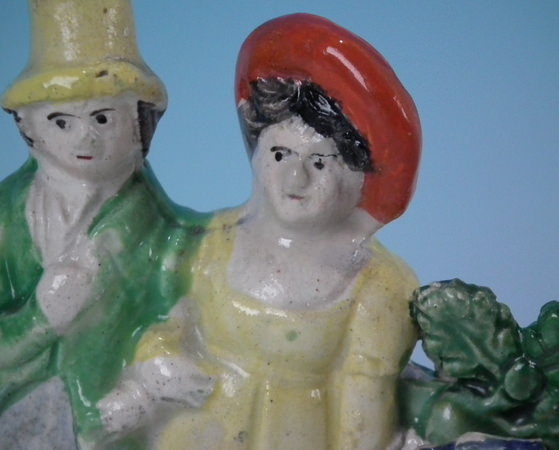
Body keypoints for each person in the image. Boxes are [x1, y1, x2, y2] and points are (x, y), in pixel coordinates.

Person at [126, 13, 422, 449]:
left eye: (319, 162)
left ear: (358, 176)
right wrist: (156, 361)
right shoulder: (207, 244)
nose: (295, 179)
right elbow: (161, 325)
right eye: (280, 154)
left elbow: (365, 416)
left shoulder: (379, 286)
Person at [0, 1, 210, 448]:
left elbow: (190, 317)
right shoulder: (5, 217)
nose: (85, 137)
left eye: (102, 117)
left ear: (139, 122)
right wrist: (39, 320)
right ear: (28, 126)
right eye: (61, 120)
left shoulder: (169, 236)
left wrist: (142, 390)